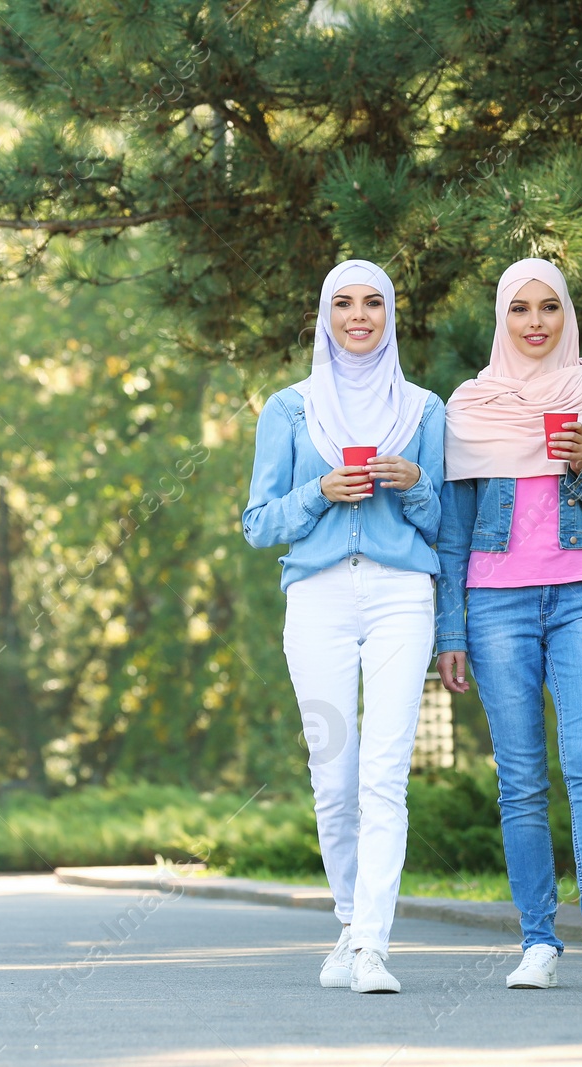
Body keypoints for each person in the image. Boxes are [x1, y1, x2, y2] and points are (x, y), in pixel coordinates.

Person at [434, 258, 582, 990]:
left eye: (547, 307)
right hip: (496, 605)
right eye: (519, 308)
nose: (533, 322)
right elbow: (453, 535)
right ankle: (538, 941)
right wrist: (451, 631)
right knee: (522, 778)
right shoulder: (469, 405)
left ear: (567, 315)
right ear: (502, 317)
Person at [243, 259, 444, 994]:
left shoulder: (424, 410)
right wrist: (319, 492)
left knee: (385, 776)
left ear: (391, 316)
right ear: (325, 317)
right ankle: (349, 924)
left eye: (374, 304)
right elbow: (258, 524)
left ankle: (371, 949)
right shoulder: (289, 409)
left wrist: (416, 483)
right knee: (334, 777)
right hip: (318, 598)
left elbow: (443, 525)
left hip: (400, 594)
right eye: (344, 304)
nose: (359, 316)